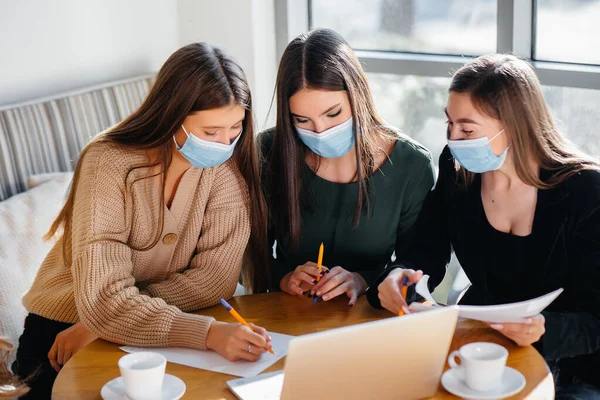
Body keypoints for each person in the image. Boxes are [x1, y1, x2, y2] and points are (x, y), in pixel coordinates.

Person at [13, 43, 273, 399]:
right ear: (172, 116)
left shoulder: (227, 174)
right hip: (62, 330)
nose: (225, 143)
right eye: (210, 132)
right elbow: (104, 296)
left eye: (235, 128)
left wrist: (112, 320)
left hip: (148, 325)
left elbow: (213, 282)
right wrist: (208, 333)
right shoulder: (108, 162)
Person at [368, 54, 600, 398]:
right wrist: (397, 278)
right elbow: (423, 253)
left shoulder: (585, 191)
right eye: (449, 124)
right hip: (483, 344)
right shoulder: (458, 171)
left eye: (467, 128)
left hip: (573, 368)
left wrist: (543, 331)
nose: (453, 138)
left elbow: (595, 319)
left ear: (515, 125)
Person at [260, 28, 435, 305]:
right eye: (302, 120)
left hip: (370, 318)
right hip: (287, 316)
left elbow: (417, 263)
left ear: (358, 96)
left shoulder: (411, 165)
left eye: (333, 114)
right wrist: (283, 277)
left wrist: (362, 280)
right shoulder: (268, 151)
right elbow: (245, 255)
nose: (320, 131)